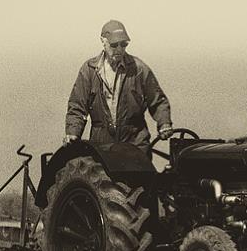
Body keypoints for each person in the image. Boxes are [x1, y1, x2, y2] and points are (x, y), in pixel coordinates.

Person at [63, 20, 174, 156]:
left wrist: (164, 123)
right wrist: (73, 132)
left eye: (124, 45)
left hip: (135, 142)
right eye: (114, 45)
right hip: (102, 144)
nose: (119, 49)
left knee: (140, 176)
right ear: (103, 42)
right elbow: (77, 106)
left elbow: (158, 101)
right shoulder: (89, 70)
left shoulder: (138, 69)